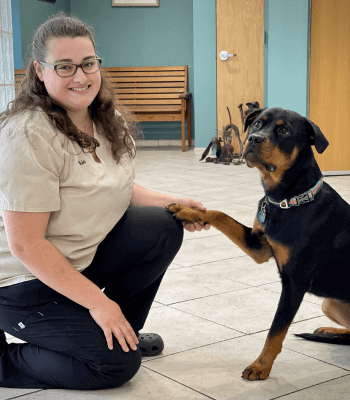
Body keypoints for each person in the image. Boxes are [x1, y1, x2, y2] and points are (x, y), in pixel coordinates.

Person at [0, 12, 209, 390]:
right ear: (39, 71)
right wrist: (99, 303)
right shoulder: (28, 135)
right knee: (113, 366)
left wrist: (173, 201)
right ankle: (11, 361)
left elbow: (117, 188)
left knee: (162, 225)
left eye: (88, 64)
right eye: (64, 66)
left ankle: (118, 331)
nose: (80, 77)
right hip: (21, 280)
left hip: (74, 262)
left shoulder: (103, 116)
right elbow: (26, 245)